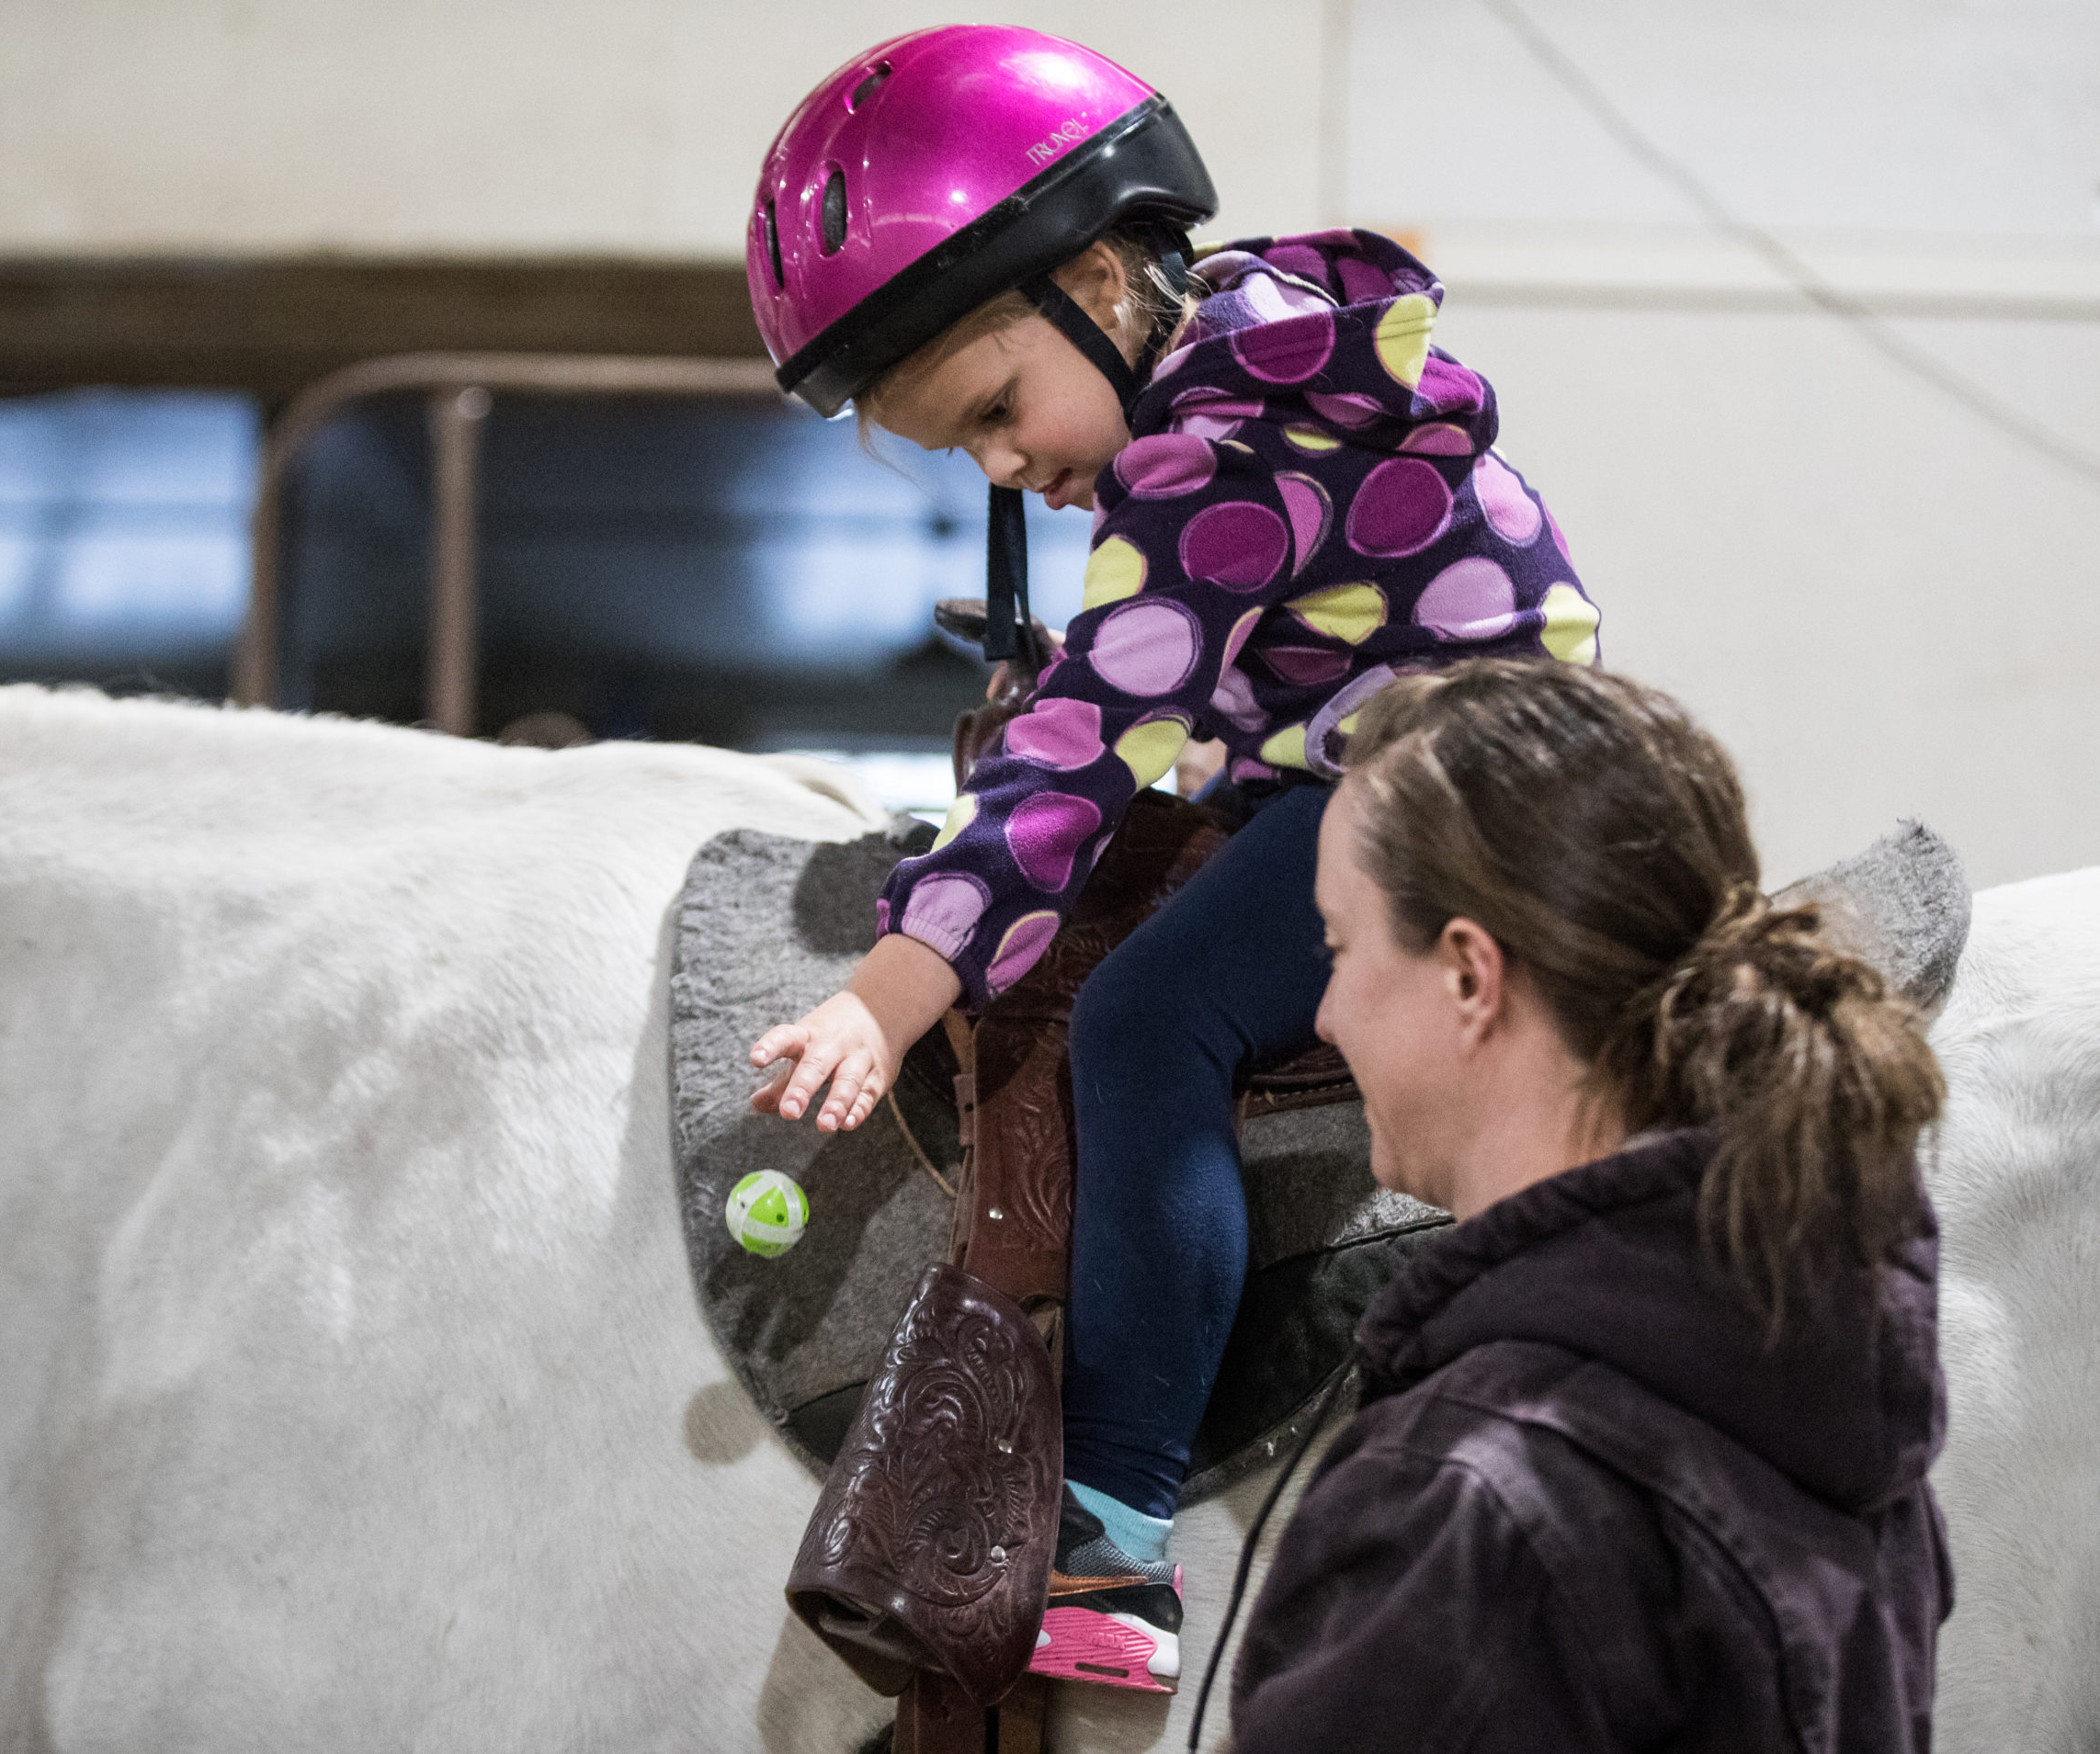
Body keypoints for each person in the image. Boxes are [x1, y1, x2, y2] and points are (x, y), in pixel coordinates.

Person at [741, 25, 1601, 1692]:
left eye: (998, 405)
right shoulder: (1265, 346)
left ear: (1104, 281)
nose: (1002, 464)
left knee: (1147, 1025)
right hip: (1437, 733)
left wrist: (890, 991)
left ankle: (1116, 1540)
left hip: (1450, 779)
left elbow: (1079, 745)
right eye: (959, 448)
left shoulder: (1209, 450)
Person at [1230, 659, 1949, 1751]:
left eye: (1339, 945)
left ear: (1470, 974)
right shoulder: (1827, 1409)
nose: (1324, 1014)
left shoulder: (1470, 1508)